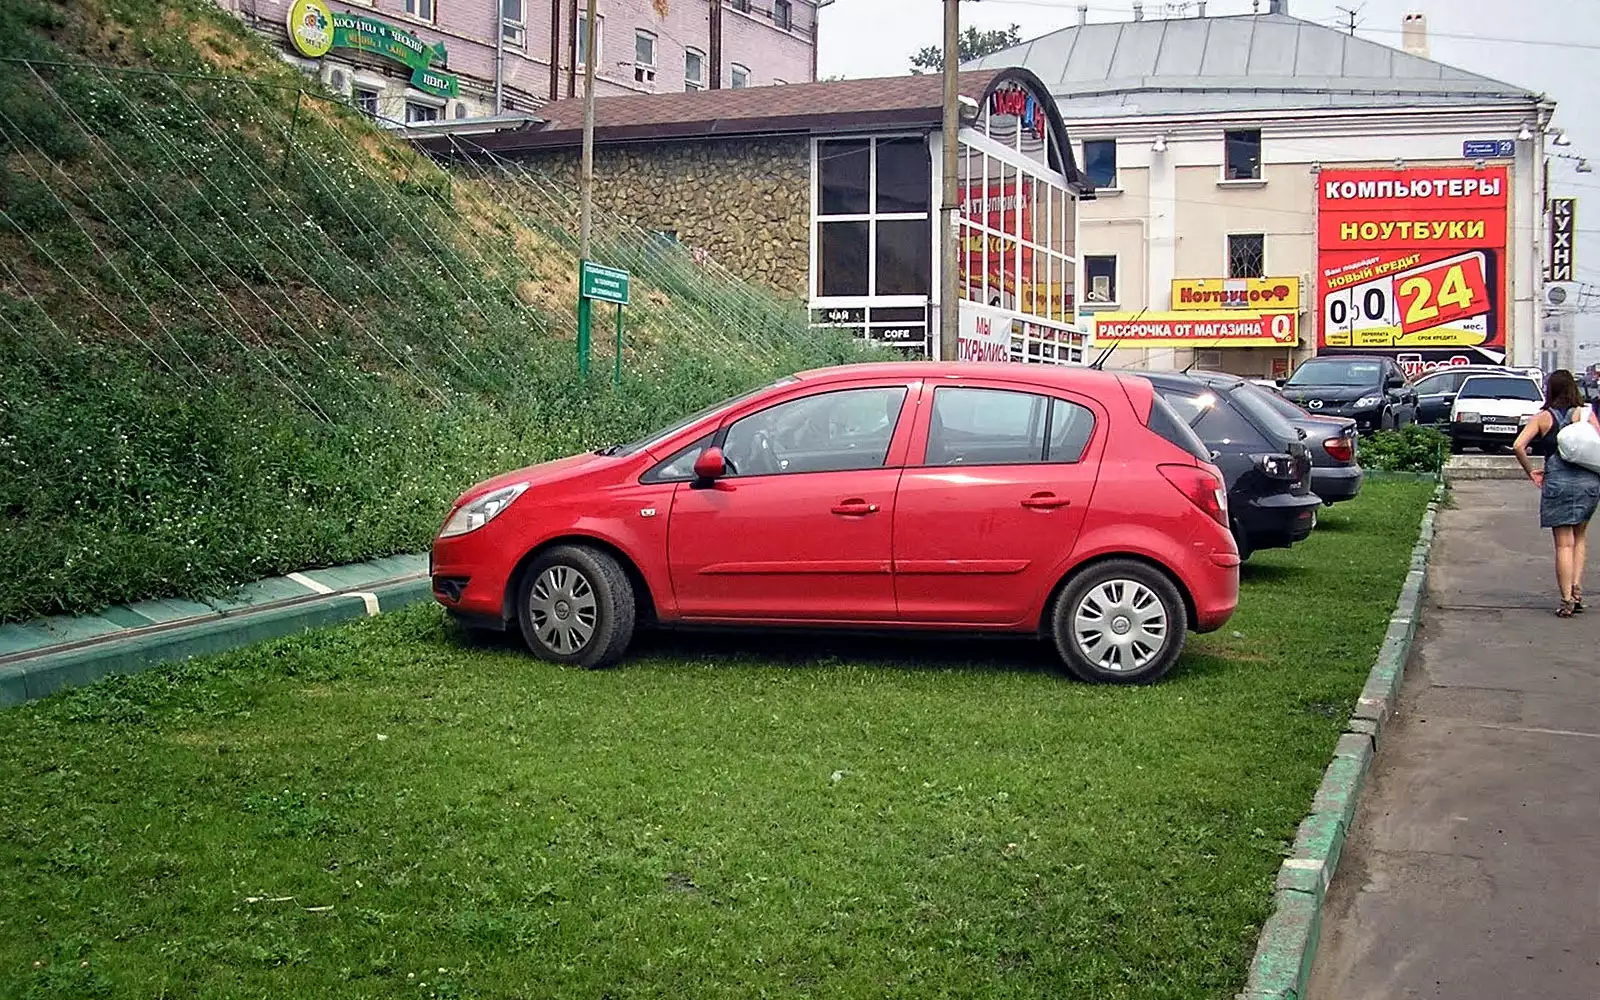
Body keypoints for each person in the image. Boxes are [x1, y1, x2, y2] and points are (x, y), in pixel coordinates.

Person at [1513, 369, 1600, 617]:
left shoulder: (1543, 417)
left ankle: (1565, 601)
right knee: (1580, 537)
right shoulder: (1586, 414)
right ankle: (1576, 590)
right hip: (1588, 481)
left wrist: (1531, 471)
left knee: (1564, 545)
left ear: (1550, 390)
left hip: (1557, 481)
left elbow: (1519, 445)